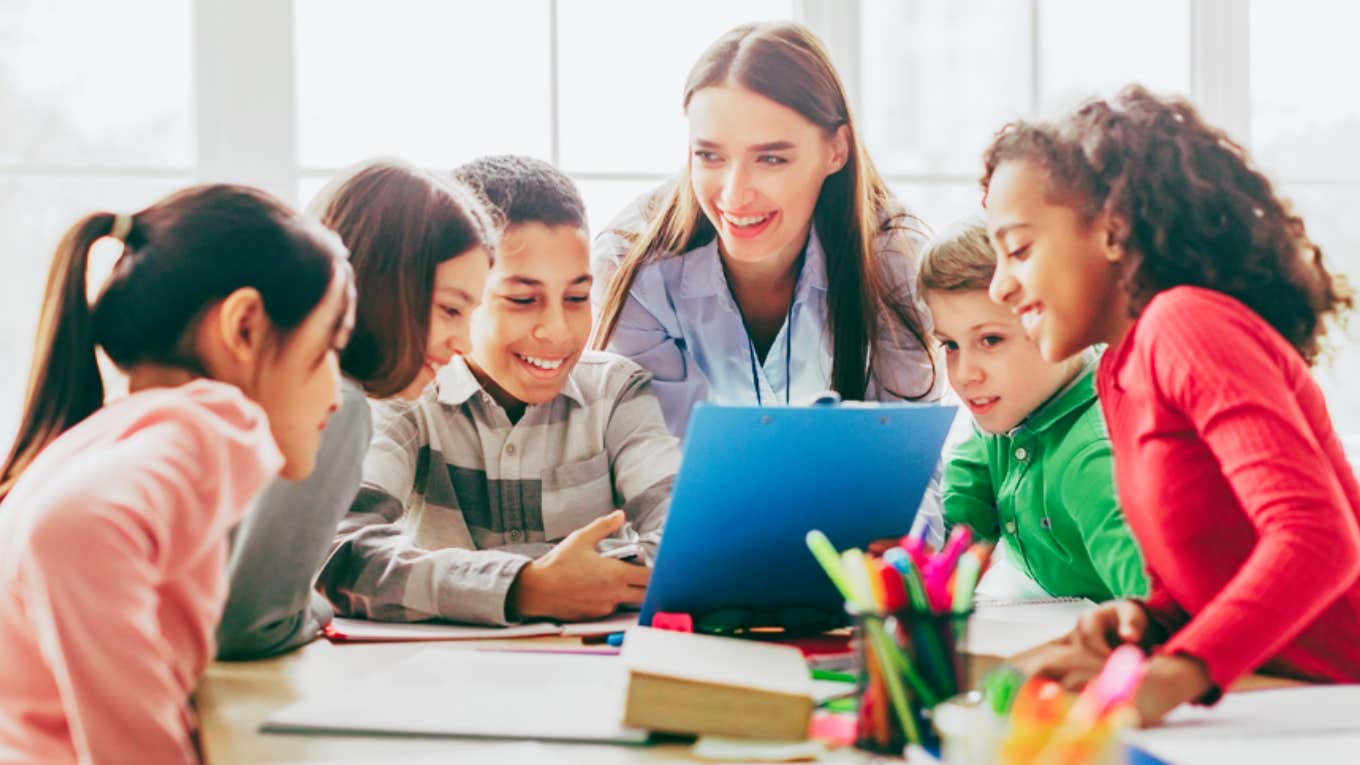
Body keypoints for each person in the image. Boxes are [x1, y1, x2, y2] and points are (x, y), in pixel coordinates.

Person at [984, 85, 1359, 723]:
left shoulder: (1184, 324)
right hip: (1288, 706)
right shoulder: (1120, 375)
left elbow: (1319, 539)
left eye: (1019, 249)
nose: (1000, 285)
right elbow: (1219, 569)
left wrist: (1169, 677)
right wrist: (1150, 624)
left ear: (1112, 230)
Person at [0, 185, 354, 764]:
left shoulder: (118, 432)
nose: (336, 395)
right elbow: (73, 527)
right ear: (244, 328)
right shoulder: (200, 430)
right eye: (328, 348)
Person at [319, 156, 680, 625]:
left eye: (576, 298)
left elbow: (681, 545)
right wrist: (525, 587)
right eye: (522, 300)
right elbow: (343, 553)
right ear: (464, 295)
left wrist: (471, 581)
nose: (557, 330)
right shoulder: (406, 395)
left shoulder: (616, 391)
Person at [591, 21, 938, 438]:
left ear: (836, 150)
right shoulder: (632, 265)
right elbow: (658, 467)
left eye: (771, 159)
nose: (735, 196)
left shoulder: (894, 261)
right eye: (709, 156)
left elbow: (906, 463)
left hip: (856, 505)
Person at [216, 160, 495, 659]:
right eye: (450, 310)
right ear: (385, 287)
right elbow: (251, 625)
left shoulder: (263, 381)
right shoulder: (334, 404)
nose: (464, 343)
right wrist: (319, 608)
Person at [921, 215, 1146, 602]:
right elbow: (958, 527)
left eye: (990, 339)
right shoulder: (1002, 420)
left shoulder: (1093, 457)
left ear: (1062, 318)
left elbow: (1158, 605)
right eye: (950, 345)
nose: (965, 373)